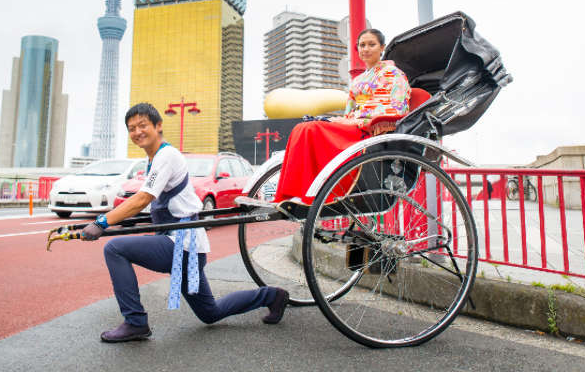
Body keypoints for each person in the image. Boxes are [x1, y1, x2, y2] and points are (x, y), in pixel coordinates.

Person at [81, 103, 289, 343]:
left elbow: (142, 199)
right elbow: (153, 205)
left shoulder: (166, 156)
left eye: (142, 125)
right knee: (210, 313)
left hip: (183, 245)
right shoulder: (155, 160)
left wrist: (102, 222)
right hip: (186, 246)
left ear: (158, 126)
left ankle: (135, 322)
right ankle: (272, 296)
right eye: (131, 128)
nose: (137, 132)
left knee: (114, 249)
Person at [273, 28, 411, 205]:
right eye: (362, 45)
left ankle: (312, 194)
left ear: (382, 47)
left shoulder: (394, 74)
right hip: (353, 125)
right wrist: (343, 120)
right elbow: (349, 110)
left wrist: (363, 121)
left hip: (372, 129)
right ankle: (295, 193)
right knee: (302, 128)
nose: (366, 49)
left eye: (372, 44)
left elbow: (397, 108)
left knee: (310, 129)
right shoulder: (358, 80)